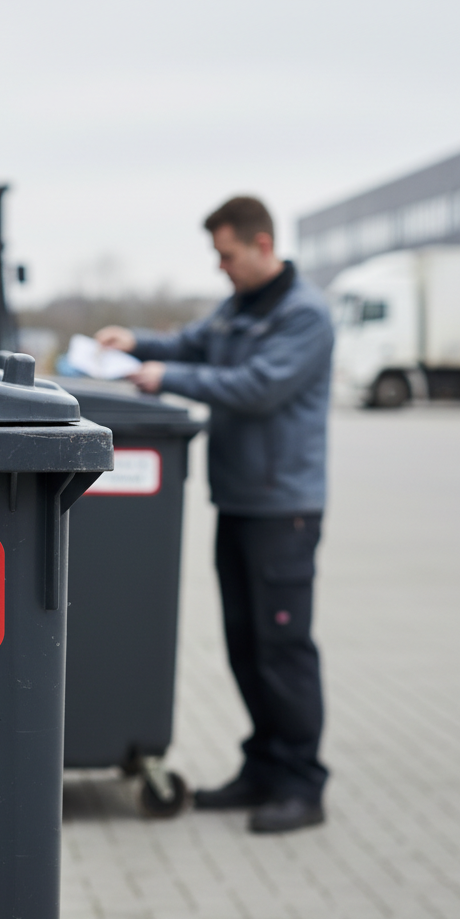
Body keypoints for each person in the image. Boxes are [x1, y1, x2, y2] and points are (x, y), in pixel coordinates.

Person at [96, 196, 333, 834]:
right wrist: (137, 343)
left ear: (262, 245)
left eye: (227, 255)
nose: (221, 267)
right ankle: (262, 768)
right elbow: (191, 342)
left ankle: (302, 783)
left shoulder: (304, 316)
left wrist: (164, 375)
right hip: (239, 501)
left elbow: (259, 386)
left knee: (282, 647)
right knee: (246, 644)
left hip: (283, 509)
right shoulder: (239, 308)